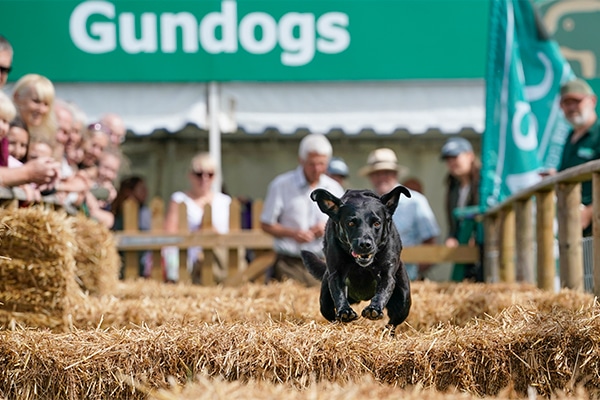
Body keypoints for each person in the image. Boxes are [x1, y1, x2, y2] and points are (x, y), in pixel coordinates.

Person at [260, 133, 344, 286]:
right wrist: (293, 233)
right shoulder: (281, 185)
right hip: (289, 265)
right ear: (301, 160)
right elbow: (266, 224)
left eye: (322, 164)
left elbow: (345, 225)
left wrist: (328, 228)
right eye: (312, 164)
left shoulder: (335, 188)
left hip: (324, 263)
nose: (317, 169)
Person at [359, 147, 440, 281]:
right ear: (370, 177)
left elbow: (431, 241)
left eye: (386, 172)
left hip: (406, 278)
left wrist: (411, 274)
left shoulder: (415, 202)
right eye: (376, 174)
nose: (381, 178)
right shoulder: (362, 204)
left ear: (395, 174)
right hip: (369, 281)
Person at [162, 152, 232, 284]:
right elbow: (169, 234)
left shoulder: (225, 201)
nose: (204, 178)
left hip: (218, 263)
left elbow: (231, 235)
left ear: (215, 177)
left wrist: (213, 233)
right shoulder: (179, 199)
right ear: (190, 175)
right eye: (199, 174)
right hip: (186, 263)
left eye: (209, 174)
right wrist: (198, 234)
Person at [557, 78, 599, 237]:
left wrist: (590, 212)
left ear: (592, 101)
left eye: (576, 101)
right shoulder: (569, 138)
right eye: (566, 103)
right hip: (574, 223)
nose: (572, 107)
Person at [440, 137, 483, 282]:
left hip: (484, 249)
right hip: (463, 252)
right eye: (448, 159)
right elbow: (453, 221)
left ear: (470, 156)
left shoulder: (484, 182)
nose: (451, 162)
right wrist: (452, 236)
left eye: (455, 157)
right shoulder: (452, 187)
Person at [112, 175, 152, 278]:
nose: (146, 191)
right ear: (128, 191)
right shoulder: (120, 213)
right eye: (142, 188)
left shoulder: (145, 211)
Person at [12, 74, 57, 141]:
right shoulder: (4, 131)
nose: (41, 110)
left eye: (46, 104)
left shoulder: (48, 138)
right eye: (36, 101)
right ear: (17, 96)